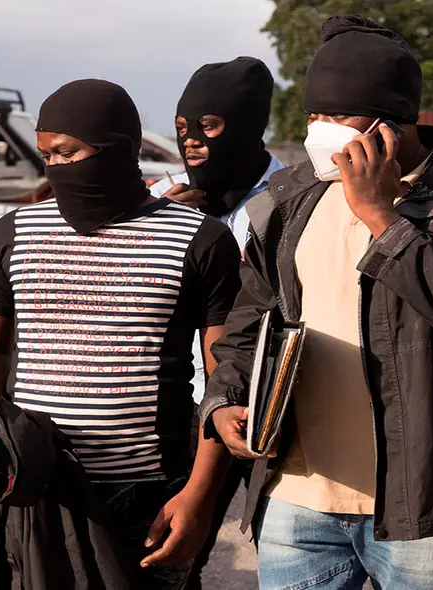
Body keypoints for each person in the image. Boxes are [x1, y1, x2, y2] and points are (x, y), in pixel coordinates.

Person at [199, 15, 433, 590]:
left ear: (395, 122)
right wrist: (224, 398)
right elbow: (247, 322)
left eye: (337, 116)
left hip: (418, 506)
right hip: (297, 500)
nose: (320, 130)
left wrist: (382, 217)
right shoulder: (290, 201)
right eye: (314, 116)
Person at [0, 79, 241, 589]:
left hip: (150, 494)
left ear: (117, 148)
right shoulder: (16, 231)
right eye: (48, 155)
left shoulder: (199, 239)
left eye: (69, 153)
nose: (57, 168)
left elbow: (227, 373)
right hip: (40, 489)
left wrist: (199, 496)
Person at [147, 56, 284, 589]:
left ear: (250, 126)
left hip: (271, 411)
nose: (194, 142)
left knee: (290, 556)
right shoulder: (162, 199)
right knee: (172, 561)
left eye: (210, 126)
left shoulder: (295, 198)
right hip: (188, 416)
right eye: (183, 128)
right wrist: (161, 225)